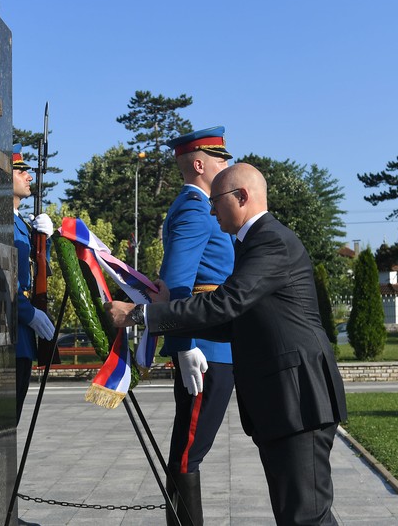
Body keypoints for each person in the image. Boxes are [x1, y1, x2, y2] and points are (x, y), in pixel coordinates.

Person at [106, 163, 348, 525]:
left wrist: (141, 316)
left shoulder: (270, 241)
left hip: (299, 399)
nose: (210, 209)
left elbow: (225, 304)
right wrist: (170, 324)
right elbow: (237, 322)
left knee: (306, 517)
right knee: (296, 515)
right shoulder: (252, 244)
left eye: (215, 201)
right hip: (284, 403)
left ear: (242, 197)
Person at [159, 127, 236, 526]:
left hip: (213, 344)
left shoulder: (199, 206)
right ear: (201, 163)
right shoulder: (195, 207)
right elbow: (176, 283)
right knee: (188, 454)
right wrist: (185, 343)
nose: (228, 166)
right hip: (206, 350)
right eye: (222, 160)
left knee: (187, 451)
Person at [12, 144, 55, 424]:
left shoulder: (21, 224)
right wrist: (29, 313)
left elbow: (39, 271)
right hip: (11, 331)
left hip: (22, 336)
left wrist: (45, 242)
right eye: (20, 170)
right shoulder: (1, 222)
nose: (29, 176)